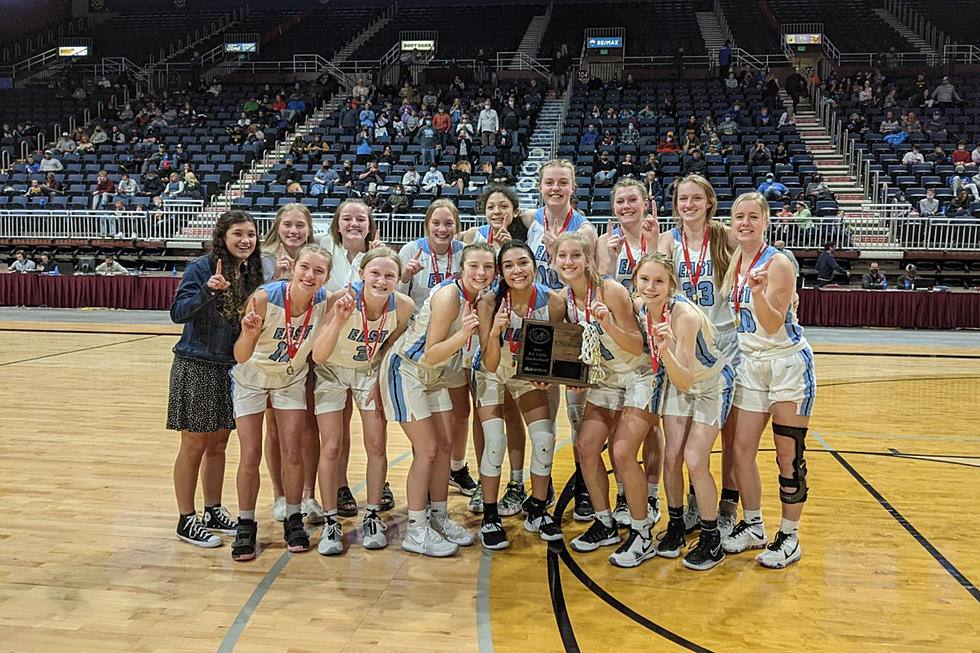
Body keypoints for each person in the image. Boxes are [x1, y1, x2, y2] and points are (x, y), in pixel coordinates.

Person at [381, 244, 498, 556]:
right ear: (461, 268)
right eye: (474, 266)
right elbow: (431, 353)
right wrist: (463, 336)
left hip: (433, 376)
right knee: (428, 449)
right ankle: (416, 530)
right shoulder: (449, 297)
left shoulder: (480, 298)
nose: (481, 273)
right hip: (408, 370)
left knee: (446, 446)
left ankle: (439, 516)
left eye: (488, 267)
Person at [721, 191, 815, 569]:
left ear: (766, 221)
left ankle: (790, 537)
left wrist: (758, 294)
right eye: (738, 217)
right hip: (749, 364)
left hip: (786, 364)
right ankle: (754, 525)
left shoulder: (778, 263)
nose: (745, 223)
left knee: (787, 456)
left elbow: (775, 322)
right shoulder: (734, 260)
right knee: (741, 450)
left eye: (752, 217)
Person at [229, 245, 334, 561]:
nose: (310, 275)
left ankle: (293, 517)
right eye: (305, 267)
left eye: (318, 271)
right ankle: (246, 523)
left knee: (292, 450)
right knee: (250, 453)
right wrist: (247, 335)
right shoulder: (264, 297)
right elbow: (239, 355)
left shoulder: (325, 303)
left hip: (290, 377)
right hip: (251, 376)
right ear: (294, 267)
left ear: (327, 276)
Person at [310, 248, 415, 554]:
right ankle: (331, 520)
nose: (382, 281)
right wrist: (339, 320)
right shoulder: (339, 299)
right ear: (362, 274)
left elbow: (391, 347)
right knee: (331, 445)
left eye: (389, 275)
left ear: (397, 279)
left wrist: (381, 379)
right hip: (331, 371)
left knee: (377, 445)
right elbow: (319, 354)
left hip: (368, 372)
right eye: (376, 273)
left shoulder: (404, 306)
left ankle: (372, 515)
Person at [553, 232, 652, 556]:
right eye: (562, 257)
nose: (569, 262)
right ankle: (604, 523)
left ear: (589, 259)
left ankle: (642, 534)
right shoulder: (564, 298)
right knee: (586, 446)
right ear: (554, 262)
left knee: (622, 453)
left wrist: (608, 324)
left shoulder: (611, 290)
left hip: (639, 376)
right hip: (606, 378)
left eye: (575, 256)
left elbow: (638, 346)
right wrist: (567, 376)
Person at [168, 211, 263, 548]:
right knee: (194, 443)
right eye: (238, 233)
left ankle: (212, 508)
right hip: (197, 363)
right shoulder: (202, 268)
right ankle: (186, 518)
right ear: (223, 236)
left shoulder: (252, 272)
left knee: (220, 444)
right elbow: (178, 313)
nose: (245, 240)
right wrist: (207, 292)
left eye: (251, 234)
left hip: (231, 367)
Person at [657, 174, 740, 536]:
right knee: (686, 436)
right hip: (684, 340)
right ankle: (694, 504)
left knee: (730, 435)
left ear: (709, 202)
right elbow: (654, 277)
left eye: (695, 198)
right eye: (682, 198)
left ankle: (727, 507)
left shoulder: (725, 235)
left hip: (723, 342)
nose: (688, 204)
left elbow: (763, 258)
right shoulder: (668, 240)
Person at [519, 159, 598, 520]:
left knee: (579, 411)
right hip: (540, 322)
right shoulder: (527, 221)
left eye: (562, 182)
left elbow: (595, 276)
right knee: (543, 412)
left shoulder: (585, 228)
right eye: (549, 181)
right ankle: (542, 482)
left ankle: (584, 485)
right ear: (540, 186)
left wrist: (556, 251)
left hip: (574, 325)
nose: (555, 188)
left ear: (572, 187)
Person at [474, 241, 565, 549]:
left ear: (534, 265)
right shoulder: (489, 302)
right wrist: (496, 332)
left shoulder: (552, 301)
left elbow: (555, 350)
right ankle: (489, 516)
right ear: (500, 271)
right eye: (509, 265)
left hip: (526, 376)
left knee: (544, 440)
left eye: (522, 263)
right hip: (492, 371)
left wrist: (546, 377)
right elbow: (488, 360)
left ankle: (537, 509)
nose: (517, 270)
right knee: (495, 442)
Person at [397, 200, 476, 498]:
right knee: (425, 415)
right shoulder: (410, 250)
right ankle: (428, 465)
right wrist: (406, 276)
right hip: (420, 344)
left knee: (459, 410)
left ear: (457, 226)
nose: (442, 229)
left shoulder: (463, 253)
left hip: (455, 340)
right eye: (437, 223)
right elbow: (397, 298)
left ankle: (457, 466)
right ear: (427, 224)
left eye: (449, 223)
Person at [317, 200, 388, 516]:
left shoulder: (381, 255)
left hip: (366, 357)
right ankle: (341, 487)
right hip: (330, 356)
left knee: (375, 435)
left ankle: (379, 486)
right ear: (338, 222)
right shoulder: (323, 249)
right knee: (336, 431)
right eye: (347, 218)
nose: (354, 223)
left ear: (370, 224)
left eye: (361, 218)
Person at [258, 204, 322, 523]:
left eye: (300, 225)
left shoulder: (318, 257)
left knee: (309, 425)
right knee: (274, 428)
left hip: (308, 351)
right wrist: (277, 280)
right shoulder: (263, 257)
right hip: (274, 352)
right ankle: (280, 495)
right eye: (288, 225)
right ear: (277, 227)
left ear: (309, 229)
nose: (294, 230)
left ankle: (309, 494)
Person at [597, 179, 659, 291]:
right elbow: (602, 288)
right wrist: (612, 260)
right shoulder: (604, 241)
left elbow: (662, 281)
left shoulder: (660, 239)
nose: (626, 206)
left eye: (633, 200)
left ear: (646, 205)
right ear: (613, 208)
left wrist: (652, 245)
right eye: (620, 202)